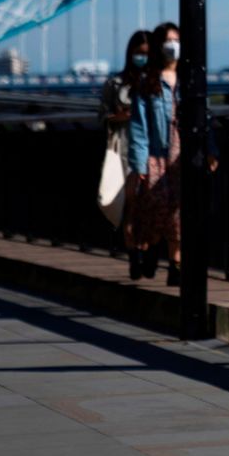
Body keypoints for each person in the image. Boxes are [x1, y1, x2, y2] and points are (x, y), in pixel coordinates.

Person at [126, 21, 190, 286]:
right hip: (155, 155)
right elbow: (139, 127)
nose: (172, 45)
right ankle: (150, 249)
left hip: (182, 155)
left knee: (179, 213)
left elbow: (204, 116)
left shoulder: (190, 78)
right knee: (155, 209)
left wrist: (209, 151)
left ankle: (176, 265)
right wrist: (139, 166)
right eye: (168, 41)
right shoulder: (147, 82)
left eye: (177, 39)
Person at [99, 30, 149, 279]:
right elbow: (102, 115)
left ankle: (145, 251)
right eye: (139, 53)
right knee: (132, 207)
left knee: (149, 207)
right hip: (125, 151)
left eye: (147, 54)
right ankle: (135, 256)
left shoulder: (159, 82)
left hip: (153, 151)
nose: (143, 58)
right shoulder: (115, 84)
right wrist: (118, 117)